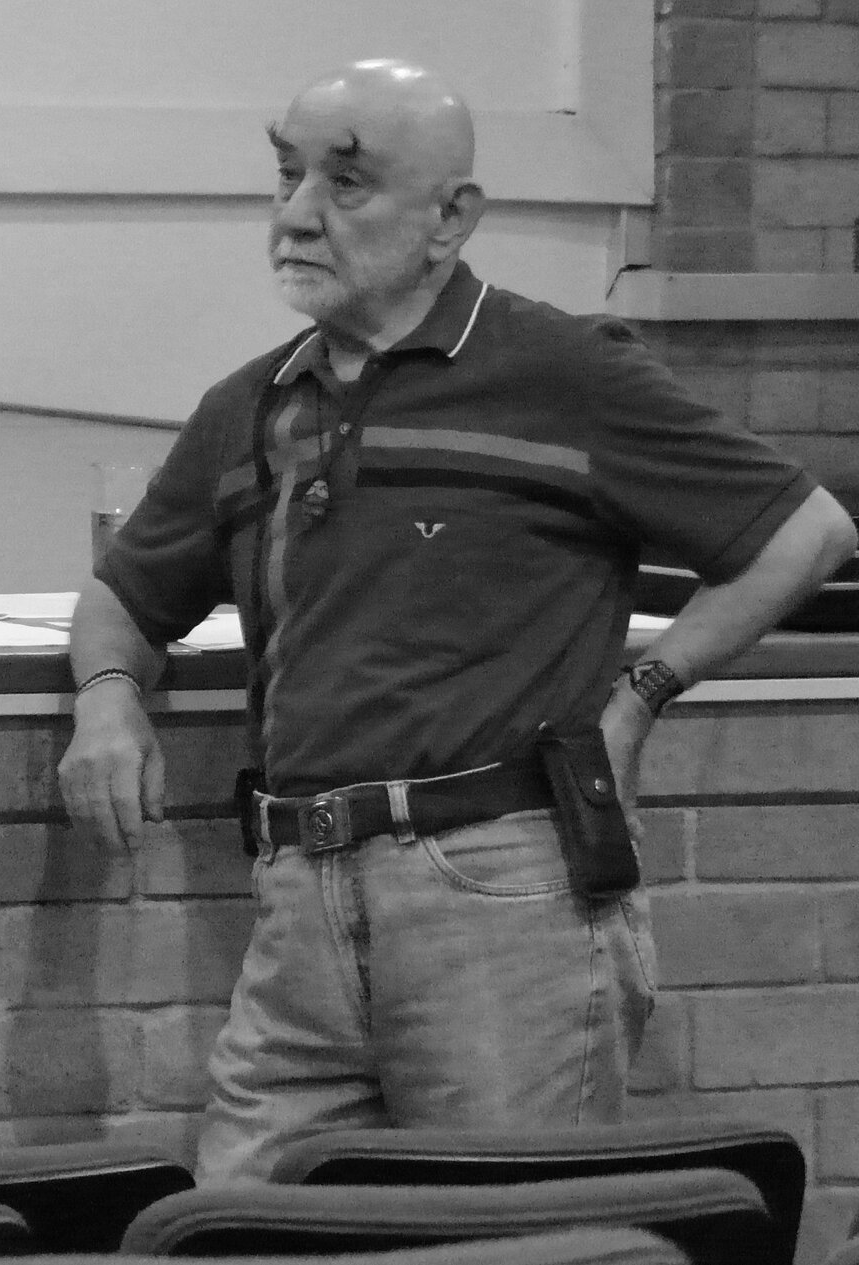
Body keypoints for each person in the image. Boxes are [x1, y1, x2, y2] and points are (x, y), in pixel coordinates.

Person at [57, 60, 855, 1186]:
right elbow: (124, 595)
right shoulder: (250, 406)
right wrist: (106, 699)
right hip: (297, 901)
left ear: (450, 219)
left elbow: (805, 532)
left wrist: (642, 694)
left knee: (509, 1230)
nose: (296, 215)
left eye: (345, 183)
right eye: (287, 176)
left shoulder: (562, 372)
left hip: (499, 891)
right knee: (232, 1221)